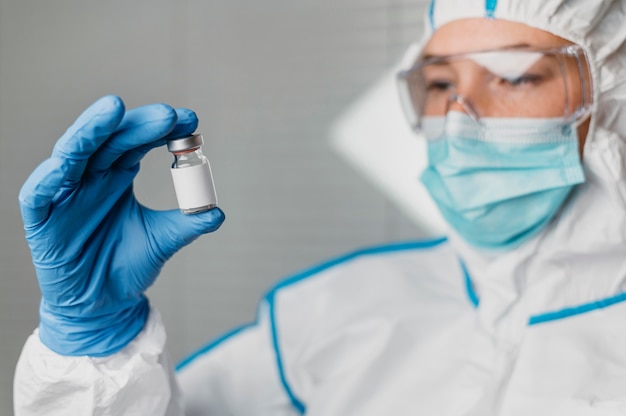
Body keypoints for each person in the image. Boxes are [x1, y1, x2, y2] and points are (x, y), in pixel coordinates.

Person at [12, 0, 626, 414]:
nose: (459, 123)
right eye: (440, 85)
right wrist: (95, 348)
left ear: (609, 98)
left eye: (514, 77)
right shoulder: (334, 314)